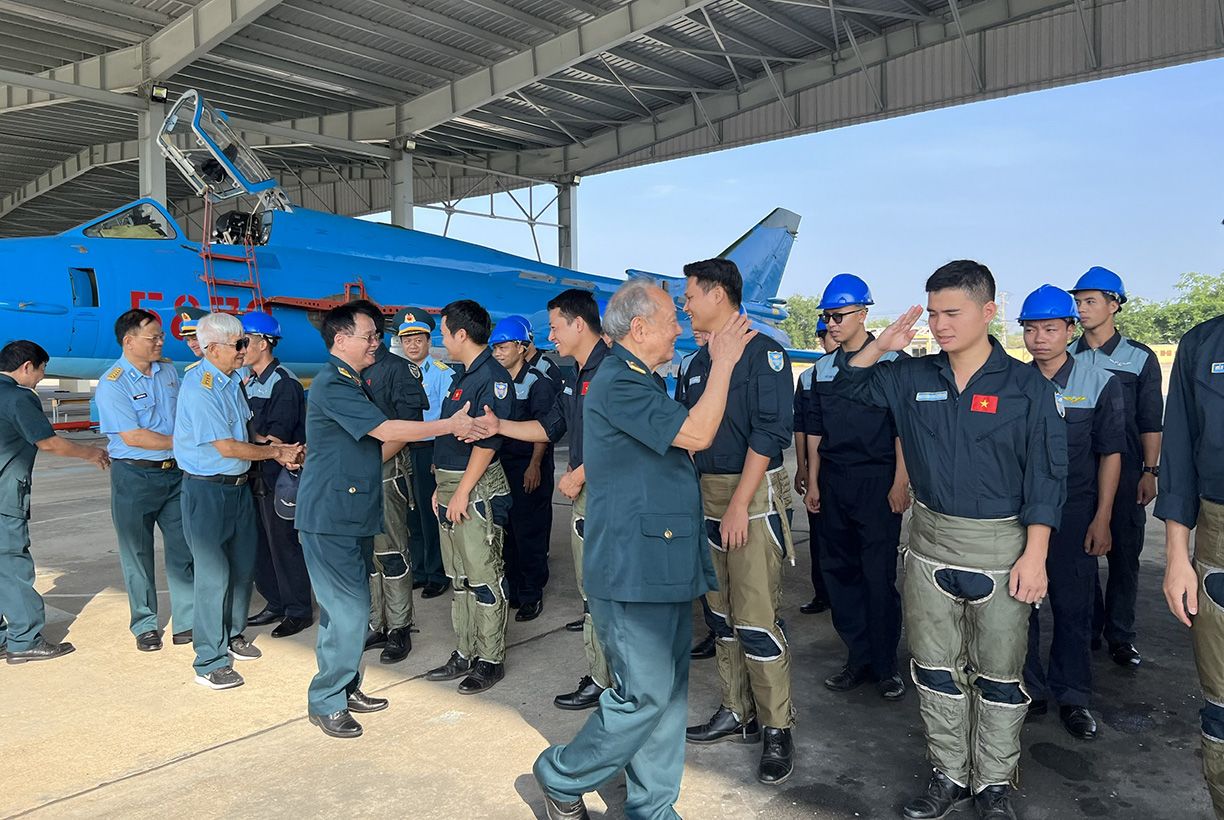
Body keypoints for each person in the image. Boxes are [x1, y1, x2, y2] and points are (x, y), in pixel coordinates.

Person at [836, 261, 1066, 820]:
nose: (939, 325)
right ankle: (949, 775)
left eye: (952, 313)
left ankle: (994, 783)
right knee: (936, 669)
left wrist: (1035, 555)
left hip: (1001, 550)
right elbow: (848, 388)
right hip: (930, 544)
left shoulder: (1027, 387)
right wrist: (880, 346)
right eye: (933, 313)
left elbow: (1047, 478)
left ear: (988, 312)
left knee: (1000, 675)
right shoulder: (910, 376)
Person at [532, 278, 754, 820]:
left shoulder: (640, 379)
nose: (680, 328)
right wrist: (723, 361)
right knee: (644, 694)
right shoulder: (619, 382)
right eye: (670, 320)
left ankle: (652, 807)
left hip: (662, 562)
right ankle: (561, 775)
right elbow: (696, 435)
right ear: (639, 328)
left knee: (668, 693)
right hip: (632, 568)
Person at [295, 303, 490, 738]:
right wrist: (449, 424)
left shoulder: (351, 380)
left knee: (346, 612)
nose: (376, 343)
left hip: (350, 513)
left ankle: (345, 687)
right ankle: (327, 700)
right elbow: (385, 431)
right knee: (348, 612)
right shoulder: (333, 383)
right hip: (330, 518)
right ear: (341, 339)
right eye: (368, 335)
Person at [678, 258, 797, 785]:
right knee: (721, 616)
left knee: (755, 619)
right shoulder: (696, 361)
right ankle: (736, 710)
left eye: (690, 297)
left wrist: (738, 505)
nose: (685, 306)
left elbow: (769, 434)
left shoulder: (764, 354)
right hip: (704, 495)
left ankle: (776, 727)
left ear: (717, 295)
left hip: (749, 496)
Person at [491, 289, 615, 711]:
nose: (550, 336)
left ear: (579, 324)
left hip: (613, 499)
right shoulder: (576, 375)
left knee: (610, 592)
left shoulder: (615, 371)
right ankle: (602, 677)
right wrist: (499, 425)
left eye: (555, 326)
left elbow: (630, 440)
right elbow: (549, 427)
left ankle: (616, 683)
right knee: (593, 592)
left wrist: (581, 471)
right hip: (587, 499)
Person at [175, 312, 302, 691]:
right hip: (207, 490)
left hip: (238, 486)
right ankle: (209, 660)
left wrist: (279, 447)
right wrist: (277, 454)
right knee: (213, 576)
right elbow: (228, 447)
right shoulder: (200, 387)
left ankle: (232, 634)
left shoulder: (231, 381)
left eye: (245, 343)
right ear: (213, 348)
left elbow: (248, 431)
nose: (244, 350)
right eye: (238, 344)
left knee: (243, 567)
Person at [1018, 285, 1123, 741]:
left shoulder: (1099, 383)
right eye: (1031, 329)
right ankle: (1028, 689)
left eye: (1050, 329)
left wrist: (1102, 517)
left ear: (1069, 330)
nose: (1039, 338)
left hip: (1076, 511)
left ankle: (1073, 695)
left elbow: (1110, 454)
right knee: (1020, 606)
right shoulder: (1014, 384)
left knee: (1073, 606)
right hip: (1022, 514)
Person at [804, 274, 911, 701]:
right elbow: (815, 430)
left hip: (877, 480)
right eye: (827, 317)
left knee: (877, 575)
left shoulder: (892, 362)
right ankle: (857, 657)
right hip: (835, 480)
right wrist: (813, 481)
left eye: (839, 315)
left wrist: (900, 481)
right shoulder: (822, 370)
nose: (831, 324)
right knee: (840, 573)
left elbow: (903, 428)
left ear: (863, 314)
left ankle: (885, 666)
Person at [1068, 266, 1163, 667]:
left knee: (1124, 556)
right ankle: (1088, 628)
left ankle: (1121, 635)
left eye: (1090, 301)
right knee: (1080, 556)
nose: (1082, 308)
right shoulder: (1067, 355)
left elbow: (1150, 419)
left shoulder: (1138, 358)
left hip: (1125, 473)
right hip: (1078, 473)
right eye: (1078, 301)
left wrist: (1150, 471)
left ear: (1114, 305)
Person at [425, 299, 515, 695]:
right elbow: (451, 438)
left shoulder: (491, 378)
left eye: (444, 333)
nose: (442, 340)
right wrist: (440, 487)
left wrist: (461, 492)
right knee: (459, 578)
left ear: (461, 334)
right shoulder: (463, 376)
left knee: (484, 578)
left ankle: (490, 659)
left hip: (475, 491)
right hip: (451, 488)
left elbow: (488, 442)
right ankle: (465, 651)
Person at [1, 340, 109, 664]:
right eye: (41, 371)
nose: (40, 378)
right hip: (4, 497)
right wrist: (92, 453)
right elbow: (48, 442)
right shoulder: (18, 397)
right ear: (27, 367)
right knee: (12, 565)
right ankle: (24, 640)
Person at [95, 308, 195, 651]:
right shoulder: (113, 383)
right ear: (129, 341)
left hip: (175, 474)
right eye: (154, 337)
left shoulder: (167, 371)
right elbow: (134, 436)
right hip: (134, 476)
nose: (160, 342)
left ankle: (187, 621)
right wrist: (187, 442)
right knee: (136, 553)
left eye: (161, 336)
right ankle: (145, 624)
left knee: (183, 548)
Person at [1157, 311, 1224, 818]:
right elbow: (1178, 456)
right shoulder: (1203, 345)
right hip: (1216, 542)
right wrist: (1177, 557)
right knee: (1220, 705)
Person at [351, 299, 428, 665]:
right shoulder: (350, 371)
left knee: (392, 553)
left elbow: (408, 428)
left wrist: (367, 463)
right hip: (356, 476)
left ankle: (399, 627)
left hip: (385, 471)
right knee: (368, 554)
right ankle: (377, 622)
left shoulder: (398, 371)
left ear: (376, 335)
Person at [240, 311, 313, 639]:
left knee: (284, 544)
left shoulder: (284, 383)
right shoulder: (250, 381)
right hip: (254, 475)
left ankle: (298, 610)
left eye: (245, 341)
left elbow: (277, 440)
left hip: (277, 477)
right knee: (261, 545)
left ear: (264, 343)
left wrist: (240, 438)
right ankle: (276, 601)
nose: (241, 348)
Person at [489, 315, 557, 622]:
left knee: (529, 531)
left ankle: (531, 593)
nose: (498, 352)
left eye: (503, 347)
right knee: (507, 532)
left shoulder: (537, 382)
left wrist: (534, 465)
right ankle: (514, 589)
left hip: (528, 465)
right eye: (495, 347)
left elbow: (543, 429)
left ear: (521, 347)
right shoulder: (497, 381)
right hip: (502, 465)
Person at [396, 308, 452, 598]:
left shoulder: (443, 374)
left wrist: (439, 457)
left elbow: (449, 419)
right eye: (407, 340)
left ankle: (437, 573)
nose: (413, 345)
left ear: (429, 341)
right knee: (411, 513)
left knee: (432, 516)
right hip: (404, 449)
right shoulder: (398, 374)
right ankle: (418, 569)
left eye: (418, 339)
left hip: (430, 449)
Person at [679, 332, 721, 662]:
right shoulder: (689, 363)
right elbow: (682, 414)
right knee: (705, 556)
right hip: (698, 474)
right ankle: (717, 629)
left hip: (732, 474)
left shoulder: (745, 357)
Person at [792, 318, 832, 620]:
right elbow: (802, 426)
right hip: (820, 469)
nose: (830, 337)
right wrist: (802, 467)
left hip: (853, 469)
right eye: (824, 333)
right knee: (819, 535)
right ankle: (823, 593)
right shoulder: (809, 377)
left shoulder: (871, 367)